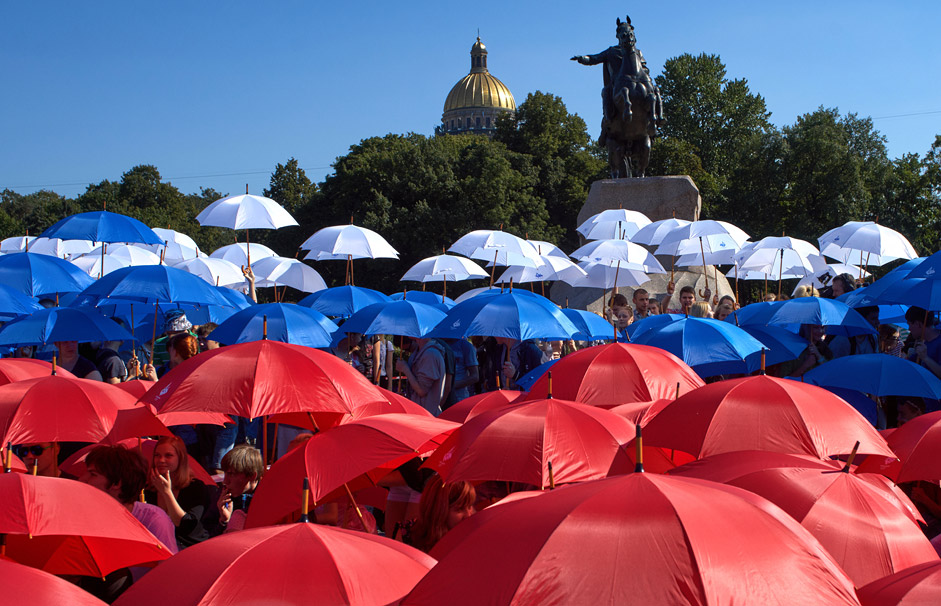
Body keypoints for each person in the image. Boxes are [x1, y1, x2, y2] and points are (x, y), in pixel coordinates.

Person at [145, 435, 211, 548]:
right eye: (157, 455)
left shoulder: (195, 487)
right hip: (160, 547)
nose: (161, 460)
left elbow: (185, 525)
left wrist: (167, 493)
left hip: (191, 548)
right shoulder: (147, 488)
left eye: (168, 456)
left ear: (180, 458)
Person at [408, 475, 476, 553]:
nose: (468, 515)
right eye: (459, 509)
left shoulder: (473, 538)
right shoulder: (408, 536)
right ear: (439, 510)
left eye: (470, 506)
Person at [208, 444, 265, 535]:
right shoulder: (223, 495)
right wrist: (223, 521)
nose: (225, 481)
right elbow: (206, 538)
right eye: (225, 473)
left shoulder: (267, 499)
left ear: (251, 476)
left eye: (231, 474)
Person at [396, 337, 449, 415]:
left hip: (426, 417)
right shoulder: (417, 353)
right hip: (418, 414)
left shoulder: (430, 355)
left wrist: (405, 369)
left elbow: (421, 390)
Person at [906, 307, 941, 379]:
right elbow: (909, 363)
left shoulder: (939, 343)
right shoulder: (924, 343)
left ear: (917, 324)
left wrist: (925, 358)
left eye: (909, 324)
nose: (909, 329)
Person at [446, 337, 479, 406]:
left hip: (459, 398)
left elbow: (475, 376)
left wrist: (451, 385)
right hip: (437, 397)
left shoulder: (466, 346)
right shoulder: (435, 343)